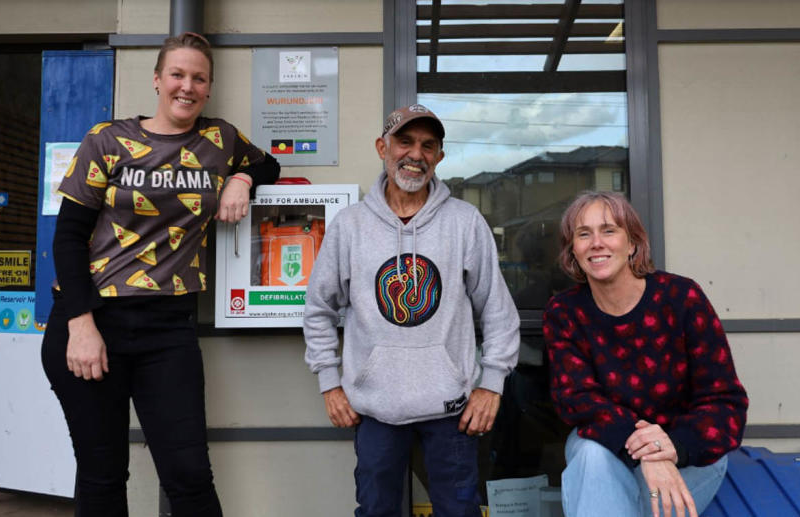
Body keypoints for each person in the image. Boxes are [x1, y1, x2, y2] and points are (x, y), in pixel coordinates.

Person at [41, 32, 279, 517]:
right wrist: (80, 325)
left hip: (168, 328)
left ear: (209, 87)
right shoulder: (107, 140)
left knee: (189, 475)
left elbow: (268, 164)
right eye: (177, 74)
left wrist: (240, 178)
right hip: (93, 319)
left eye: (198, 77)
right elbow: (67, 239)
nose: (186, 86)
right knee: (102, 475)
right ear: (156, 79)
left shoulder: (220, 140)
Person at [303, 104, 520, 517]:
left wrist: (491, 384)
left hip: (451, 410)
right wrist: (330, 383)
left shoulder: (465, 223)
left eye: (428, 145)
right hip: (375, 409)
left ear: (439, 156)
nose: (415, 154)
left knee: (459, 512)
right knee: (376, 511)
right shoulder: (350, 227)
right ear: (382, 147)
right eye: (405, 142)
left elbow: (498, 312)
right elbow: (318, 310)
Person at [543, 191, 748, 517]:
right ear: (573, 251)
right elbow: (577, 399)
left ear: (633, 243)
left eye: (609, 230)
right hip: (607, 445)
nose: (596, 242)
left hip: (687, 451)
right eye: (584, 234)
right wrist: (647, 449)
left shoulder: (682, 297)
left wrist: (671, 450)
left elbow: (724, 402)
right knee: (590, 459)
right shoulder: (564, 312)